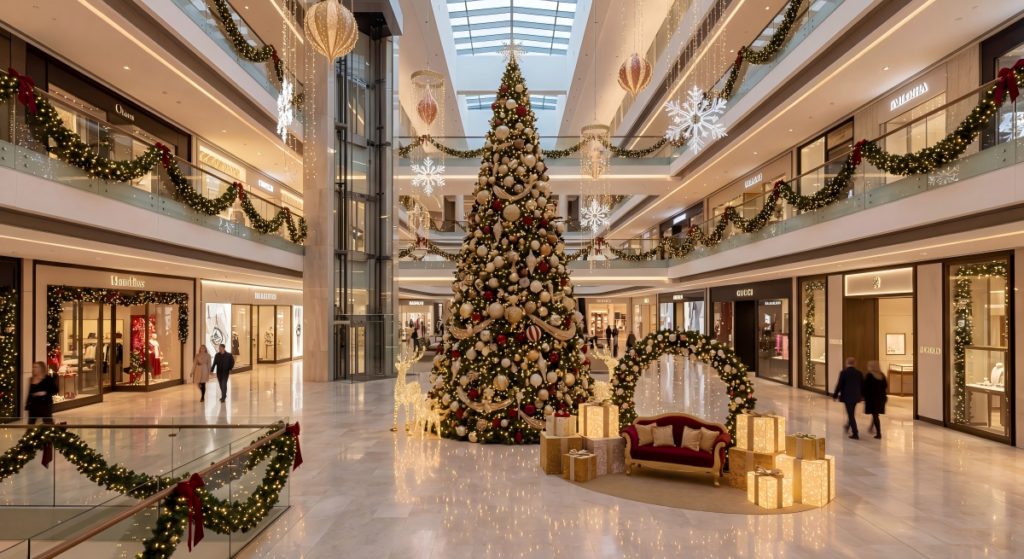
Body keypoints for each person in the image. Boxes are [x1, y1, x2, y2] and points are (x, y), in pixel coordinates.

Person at [833, 357, 864, 439]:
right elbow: (862, 385)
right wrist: (863, 395)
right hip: (856, 396)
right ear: (855, 363)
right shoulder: (859, 373)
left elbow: (839, 385)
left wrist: (835, 395)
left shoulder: (844, 373)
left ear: (846, 364)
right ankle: (847, 426)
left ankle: (855, 432)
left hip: (847, 396)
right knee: (851, 413)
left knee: (850, 414)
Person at [863, 361, 888, 439]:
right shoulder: (882, 375)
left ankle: (878, 433)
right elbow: (886, 386)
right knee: (875, 414)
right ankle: (871, 427)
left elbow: (865, 387)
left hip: (872, 398)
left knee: (875, 415)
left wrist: (864, 396)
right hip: (881, 398)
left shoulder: (869, 376)